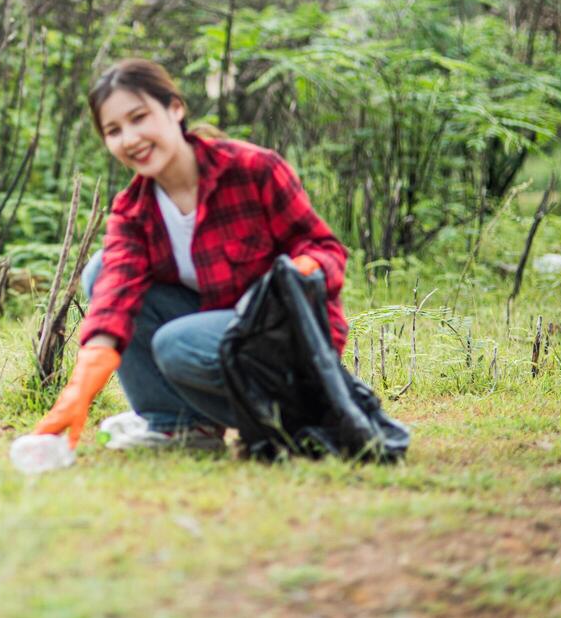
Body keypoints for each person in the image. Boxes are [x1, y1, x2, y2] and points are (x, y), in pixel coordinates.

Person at [34, 59, 348, 450]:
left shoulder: (253, 169)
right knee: (100, 272)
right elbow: (116, 289)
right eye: (114, 130)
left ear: (175, 109)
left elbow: (325, 248)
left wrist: (304, 269)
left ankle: (296, 418)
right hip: (215, 332)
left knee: (176, 342)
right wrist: (87, 373)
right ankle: (180, 426)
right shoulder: (133, 210)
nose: (130, 138)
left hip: (285, 341)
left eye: (139, 117)